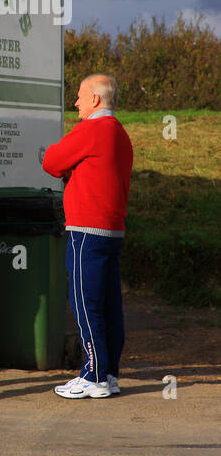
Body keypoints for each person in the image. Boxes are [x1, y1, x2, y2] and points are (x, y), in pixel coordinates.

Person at [41, 73, 133, 399]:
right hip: (112, 228)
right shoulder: (120, 133)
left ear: (95, 99)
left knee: (84, 302)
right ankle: (108, 373)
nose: (76, 102)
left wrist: (71, 166)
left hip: (86, 229)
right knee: (109, 304)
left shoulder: (90, 130)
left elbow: (51, 161)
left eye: (80, 96)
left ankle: (92, 375)